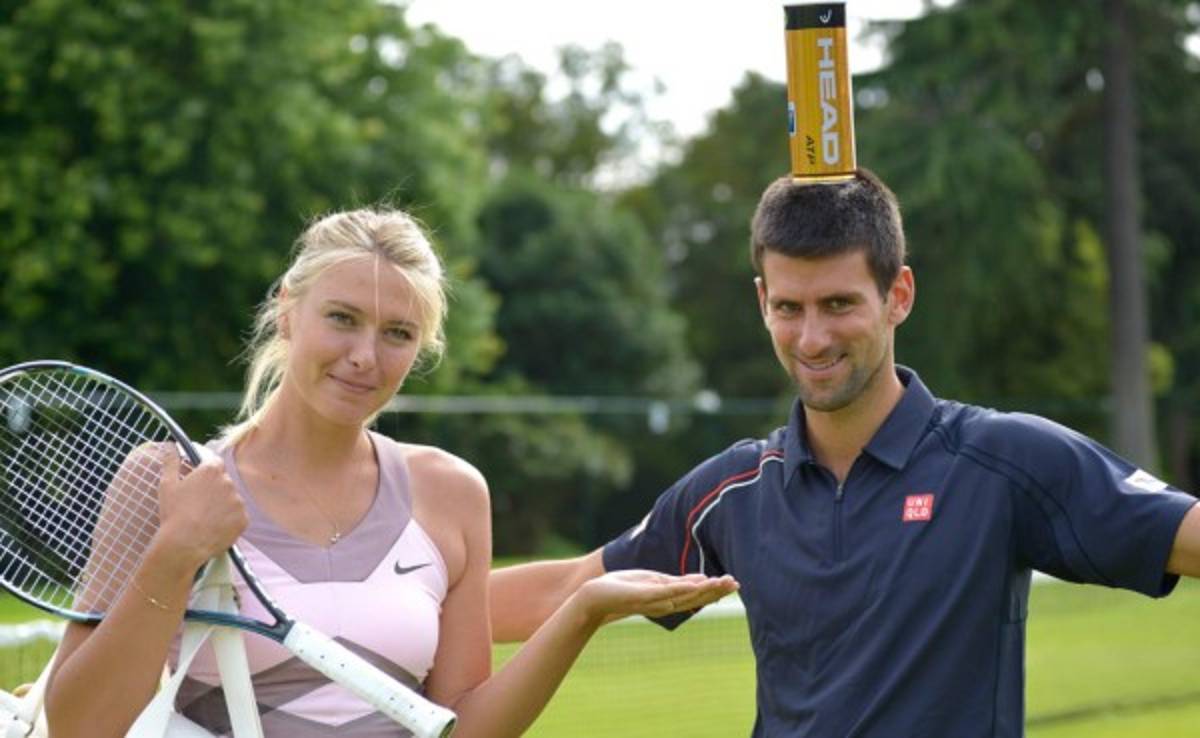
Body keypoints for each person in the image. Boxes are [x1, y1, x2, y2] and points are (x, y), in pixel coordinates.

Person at [488, 169, 1200, 737]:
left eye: (838, 304)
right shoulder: (732, 491)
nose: (812, 339)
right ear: (762, 301)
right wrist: (413, 606)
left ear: (899, 295)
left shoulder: (1002, 460)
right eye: (789, 308)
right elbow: (566, 589)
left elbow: (1183, 534)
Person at [43, 206, 736, 738]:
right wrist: (175, 552)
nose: (365, 357)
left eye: (397, 334)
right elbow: (77, 727)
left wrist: (583, 612)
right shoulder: (168, 482)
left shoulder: (451, 493)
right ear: (287, 312)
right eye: (342, 319)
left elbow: (464, 725)